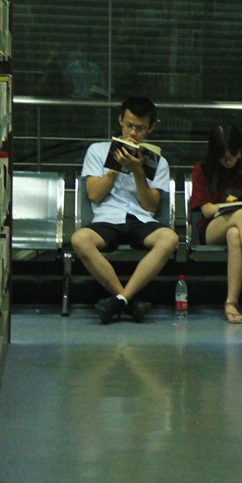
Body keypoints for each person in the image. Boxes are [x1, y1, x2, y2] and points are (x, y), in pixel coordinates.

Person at [71, 96, 179, 324]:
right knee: (79, 240)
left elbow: (150, 206)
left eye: (140, 128)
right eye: (129, 125)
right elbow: (94, 195)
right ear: (120, 120)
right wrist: (115, 168)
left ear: (150, 128)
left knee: (169, 239)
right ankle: (128, 299)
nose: (133, 133)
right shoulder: (97, 151)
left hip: (140, 218)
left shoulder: (157, 161)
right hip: (107, 217)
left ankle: (119, 300)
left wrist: (139, 171)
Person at [189, 125, 242, 324]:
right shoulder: (202, 169)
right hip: (212, 227)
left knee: (235, 235)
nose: (228, 161)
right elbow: (207, 210)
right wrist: (239, 207)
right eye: (222, 157)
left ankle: (231, 303)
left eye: (233, 155)